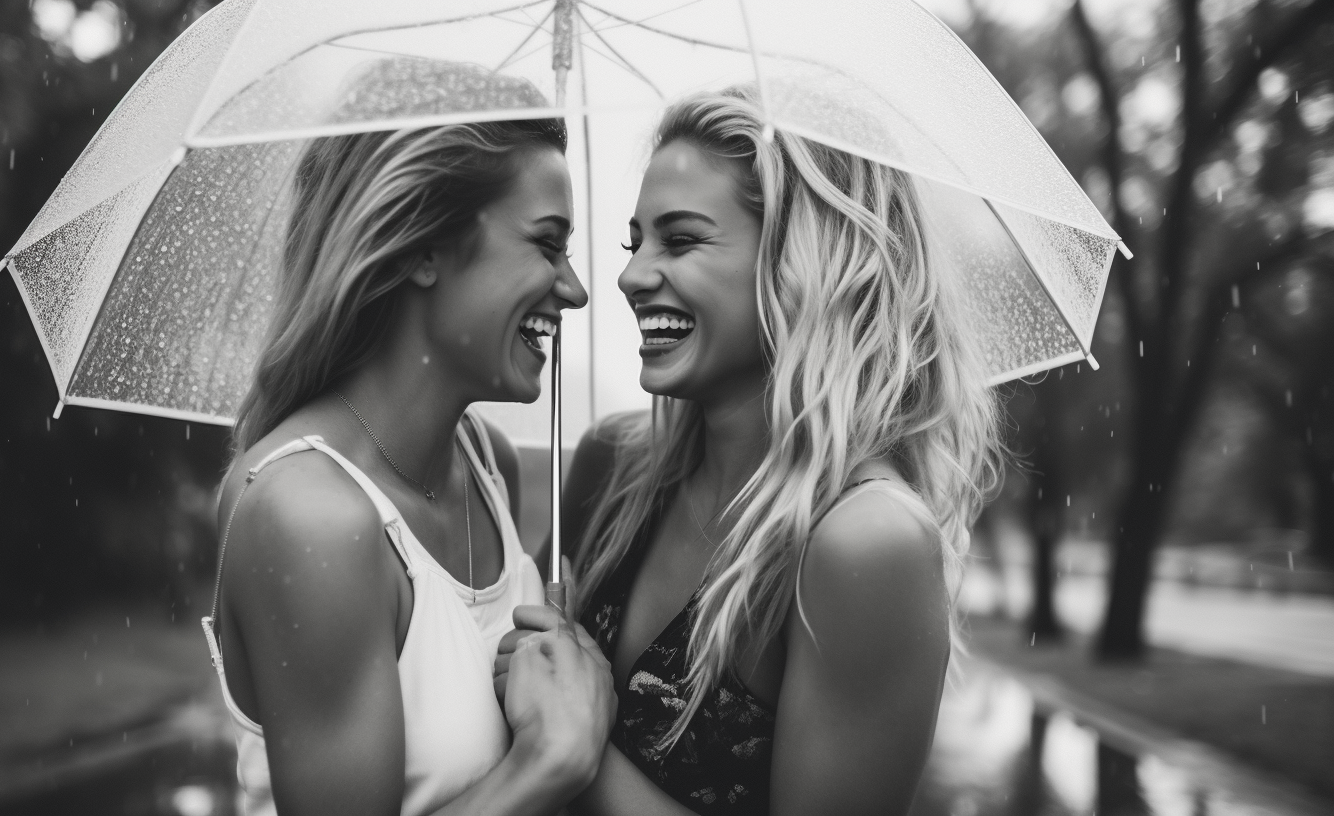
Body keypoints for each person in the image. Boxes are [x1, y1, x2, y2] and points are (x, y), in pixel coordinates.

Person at [501, 88, 1001, 815]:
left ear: (804, 263)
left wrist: (574, 746)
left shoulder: (864, 544)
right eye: (633, 241)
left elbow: (555, 741)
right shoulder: (613, 466)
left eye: (681, 239)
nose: (632, 275)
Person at [203, 110, 616, 816]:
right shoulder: (311, 517)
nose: (574, 288)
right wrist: (548, 761)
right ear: (421, 248)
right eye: (548, 245)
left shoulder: (488, 466)